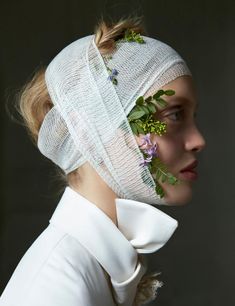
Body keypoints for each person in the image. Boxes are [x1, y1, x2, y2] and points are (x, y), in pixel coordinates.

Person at [0, 15, 206, 306]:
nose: (199, 140)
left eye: (192, 116)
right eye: (174, 115)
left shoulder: (95, 267)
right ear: (90, 129)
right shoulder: (54, 291)